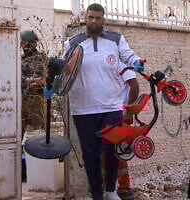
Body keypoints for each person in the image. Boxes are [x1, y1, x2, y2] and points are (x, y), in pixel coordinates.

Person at [44, 3, 144, 200]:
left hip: (111, 106)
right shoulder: (72, 43)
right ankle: (96, 195)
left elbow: (129, 56)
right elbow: (65, 72)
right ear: (85, 18)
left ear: (103, 19)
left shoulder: (116, 39)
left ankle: (110, 191)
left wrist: (136, 62)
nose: (94, 21)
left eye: (98, 18)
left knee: (112, 149)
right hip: (83, 109)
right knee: (90, 155)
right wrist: (52, 86)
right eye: (91, 17)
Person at [21, 30, 48, 181]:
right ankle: (23, 171)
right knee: (18, 136)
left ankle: (38, 173)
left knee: (36, 135)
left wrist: (26, 81)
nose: (23, 46)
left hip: (35, 101)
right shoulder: (20, 59)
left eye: (25, 43)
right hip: (21, 101)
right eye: (22, 43)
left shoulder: (41, 58)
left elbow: (42, 79)